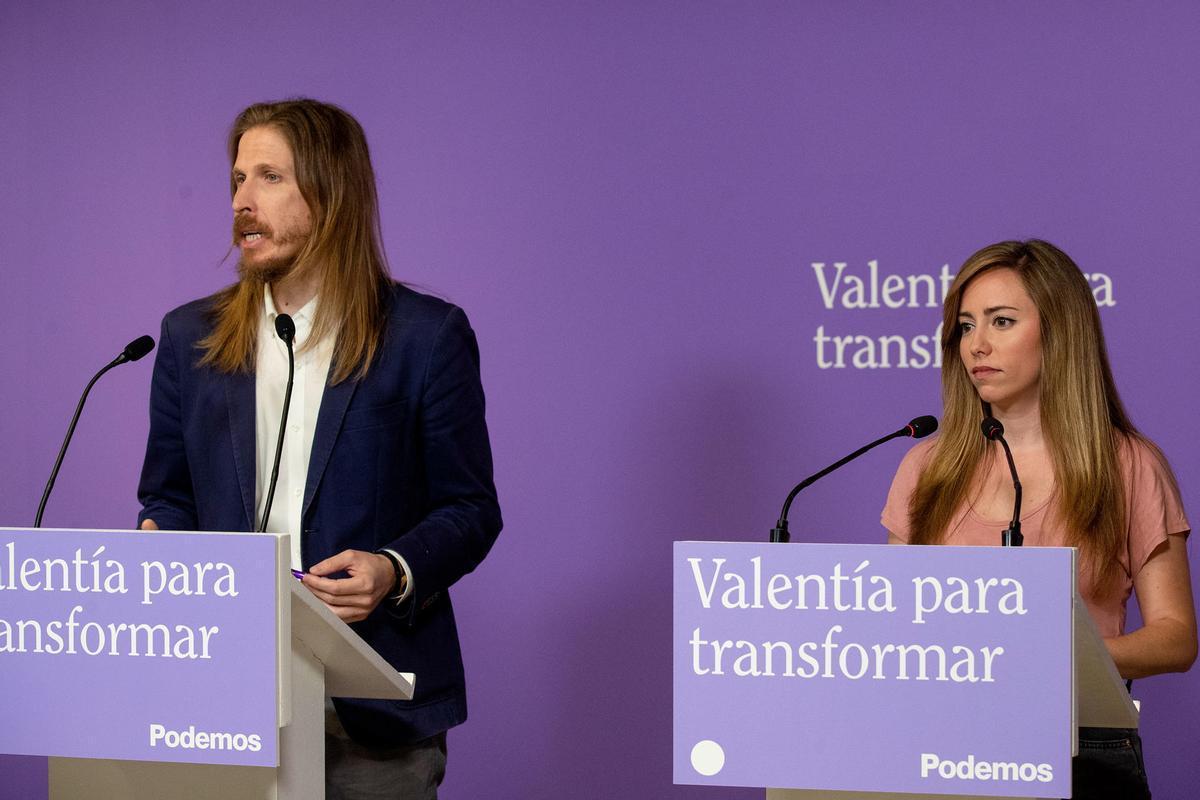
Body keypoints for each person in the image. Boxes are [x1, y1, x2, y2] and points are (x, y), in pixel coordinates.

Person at [137, 98, 502, 799]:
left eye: (269, 177)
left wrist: (392, 570)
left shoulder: (423, 338)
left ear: (332, 194)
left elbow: (469, 508)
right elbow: (169, 494)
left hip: (373, 718)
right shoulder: (191, 338)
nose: (243, 200)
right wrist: (166, 547)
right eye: (237, 180)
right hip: (224, 703)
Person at [882, 239, 1195, 799]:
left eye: (1001, 321)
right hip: (943, 745)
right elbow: (889, 624)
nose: (977, 344)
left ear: (1060, 331)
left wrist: (1052, 659)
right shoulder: (924, 466)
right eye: (965, 325)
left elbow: (1176, 639)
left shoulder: (1127, 465)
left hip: (1083, 749)